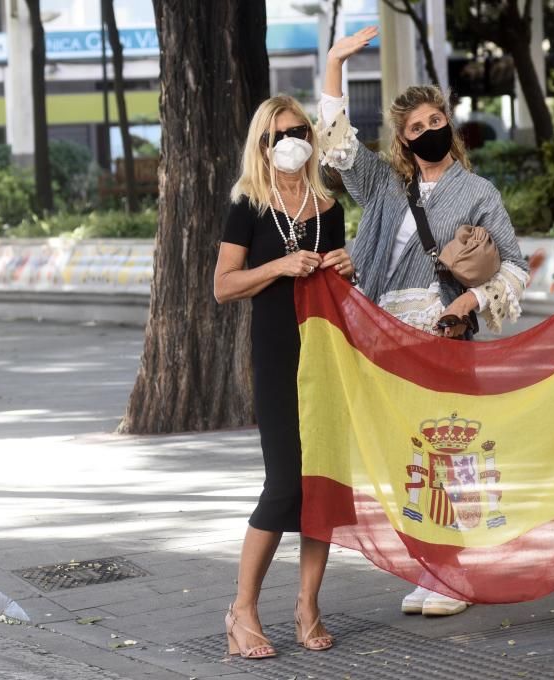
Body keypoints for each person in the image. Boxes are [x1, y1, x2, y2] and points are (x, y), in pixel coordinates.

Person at [319, 27, 528, 615]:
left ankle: (451, 572)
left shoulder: (478, 190)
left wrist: (471, 303)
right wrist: (334, 62)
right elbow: (336, 143)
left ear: (450, 127)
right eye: (416, 127)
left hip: (443, 331)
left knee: (448, 450)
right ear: (404, 142)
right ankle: (431, 565)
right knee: (406, 454)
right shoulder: (385, 185)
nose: (429, 130)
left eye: (437, 120)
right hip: (385, 330)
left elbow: (514, 266)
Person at [214, 95, 355, 657]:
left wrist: (349, 267)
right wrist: (276, 266)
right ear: (262, 146)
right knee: (284, 485)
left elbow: (342, 292)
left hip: (327, 357)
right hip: (277, 355)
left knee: (321, 482)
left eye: (299, 129)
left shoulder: (328, 206)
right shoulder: (248, 204)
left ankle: (307, 605)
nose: (291, 140)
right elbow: (223, 285)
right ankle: (242, 609)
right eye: (278, 135)